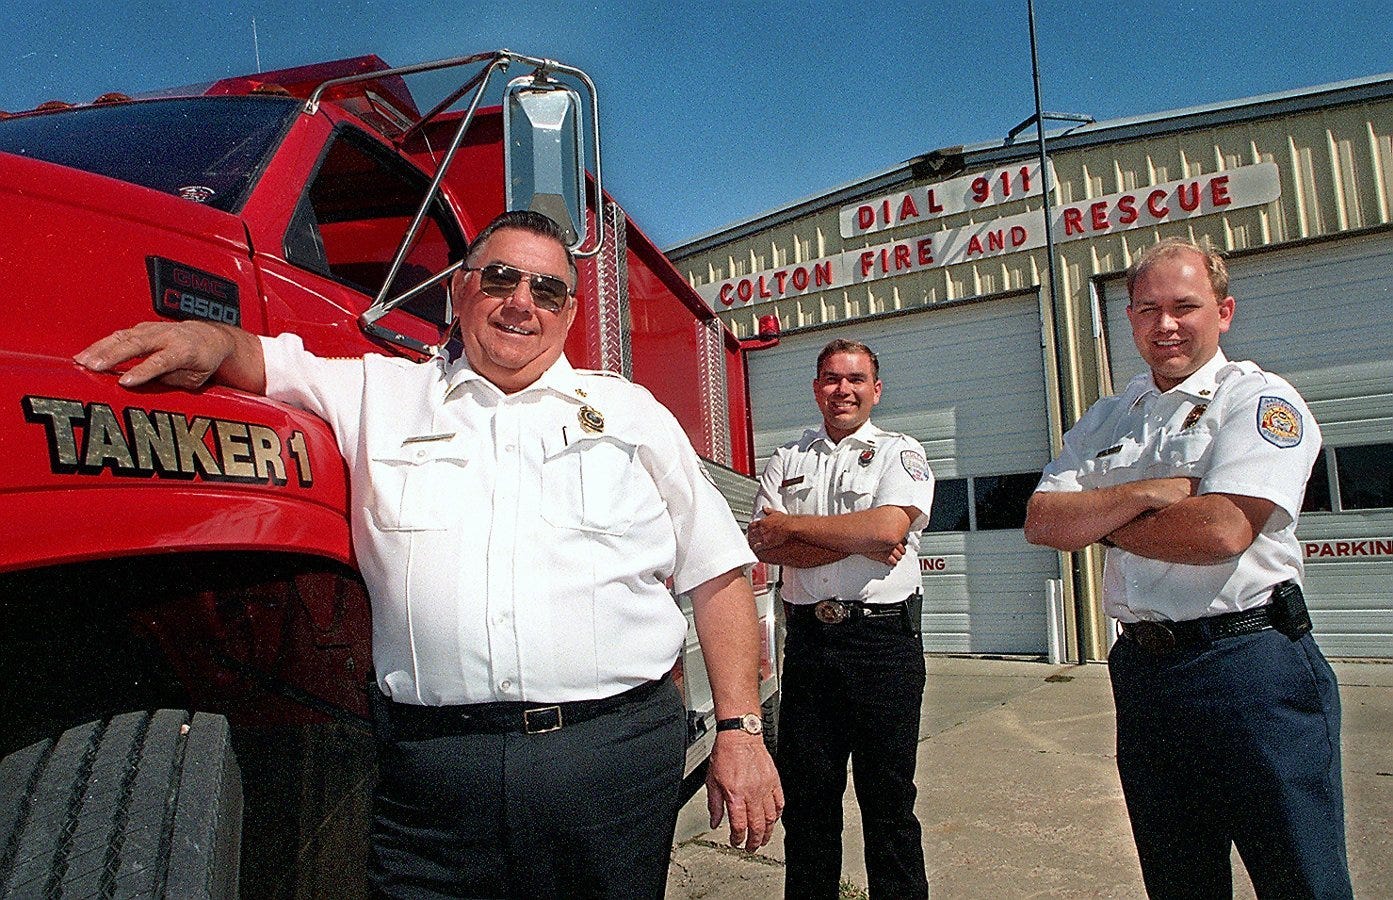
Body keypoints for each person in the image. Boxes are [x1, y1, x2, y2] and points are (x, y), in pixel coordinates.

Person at [75, 210, 782, 899]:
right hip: (433, 773)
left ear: (568, 314)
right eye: (500, 278)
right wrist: (210, 337)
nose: (521, 302)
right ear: (458, 289)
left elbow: (716, 573)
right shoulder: (377, 391)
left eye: (546, 290)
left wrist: (738, 731)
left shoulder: (631, 413)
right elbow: (263, 359)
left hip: (607, 759)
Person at [1025, 238, 1352, 899]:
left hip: (1250, 667)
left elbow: (1221, 530)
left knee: (1299, 880)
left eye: (1184, 306)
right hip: (1146, 674)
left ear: (1223, 311)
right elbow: (1042, 522)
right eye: (1147, 308)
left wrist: (1099, 520)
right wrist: (1148, 493)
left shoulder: (1257, 401)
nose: (1165, 324)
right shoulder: (1107, 418)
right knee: (1179, 882)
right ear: (1128, 317)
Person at [747, 339, 933, 899]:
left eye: (855, 379)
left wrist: (799, 530)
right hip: (809, 647)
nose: (842, 390)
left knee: (888, 803)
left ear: (875, 390)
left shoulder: (901, 452)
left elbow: (886, 532)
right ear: (815, 388)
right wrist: (855, 537)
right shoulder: (787, 459)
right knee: (808, 806)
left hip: (881, 645)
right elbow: (766, 543)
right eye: (831, 379)